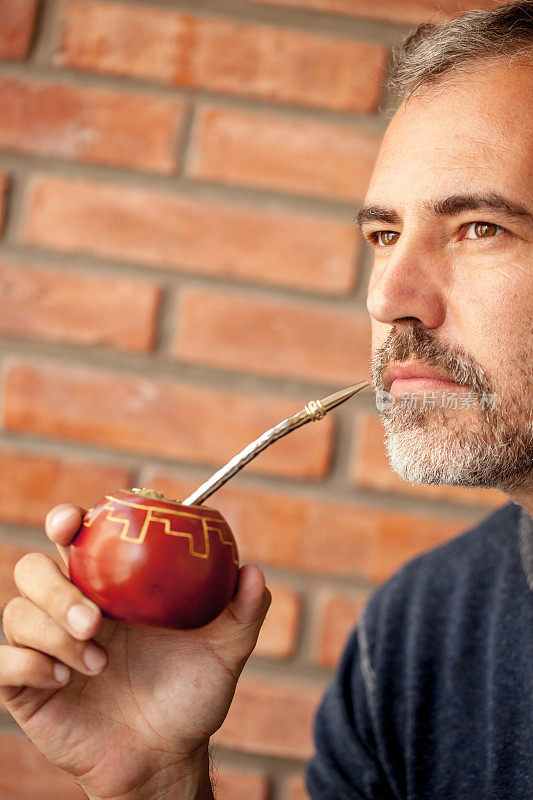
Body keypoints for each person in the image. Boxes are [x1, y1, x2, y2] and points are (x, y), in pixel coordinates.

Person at [1, 2, 532, 798]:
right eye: (383, 236)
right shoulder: (415, 634)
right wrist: (156, 779)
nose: (388, 297)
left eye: (480, 227)